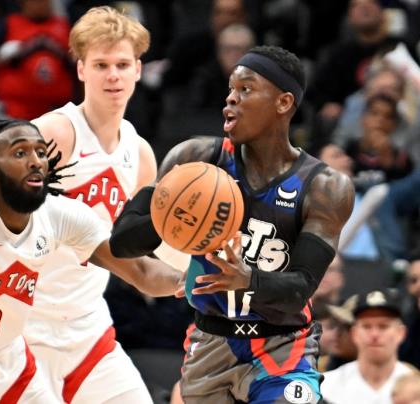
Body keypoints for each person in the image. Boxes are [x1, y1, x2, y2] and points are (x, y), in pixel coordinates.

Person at [110, 45, 355, 403]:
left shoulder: (324, 186)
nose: (231, 100)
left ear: (283, 103)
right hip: (210, 342)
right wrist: (177, 219)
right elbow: (123, 242)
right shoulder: (195, 159)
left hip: (282, 345)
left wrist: (248, 280)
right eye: (230, 90)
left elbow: (302, 286)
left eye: (246, 89)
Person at [0, 119, 182, 402]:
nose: (36, 160)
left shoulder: (59, 215)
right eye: (19, 152)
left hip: (5, 365)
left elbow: (140, 270)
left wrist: (191, 280)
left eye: (40, 151)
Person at [30, 6, 184, 402]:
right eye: (101, 64)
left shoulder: (141, 155)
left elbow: (146, 257)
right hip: (25, 325)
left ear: (138, 69)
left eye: (121, 64)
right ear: (81, 69)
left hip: (87, 323)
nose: (113, 75)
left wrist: (196, 273)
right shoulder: (55, 134)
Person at [322, 288, 412, 404]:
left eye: (383, 326)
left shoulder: (415, 385)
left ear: (401, 333)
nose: (374, 334)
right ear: (354, 333)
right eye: (366, 326)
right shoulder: (327, 386)